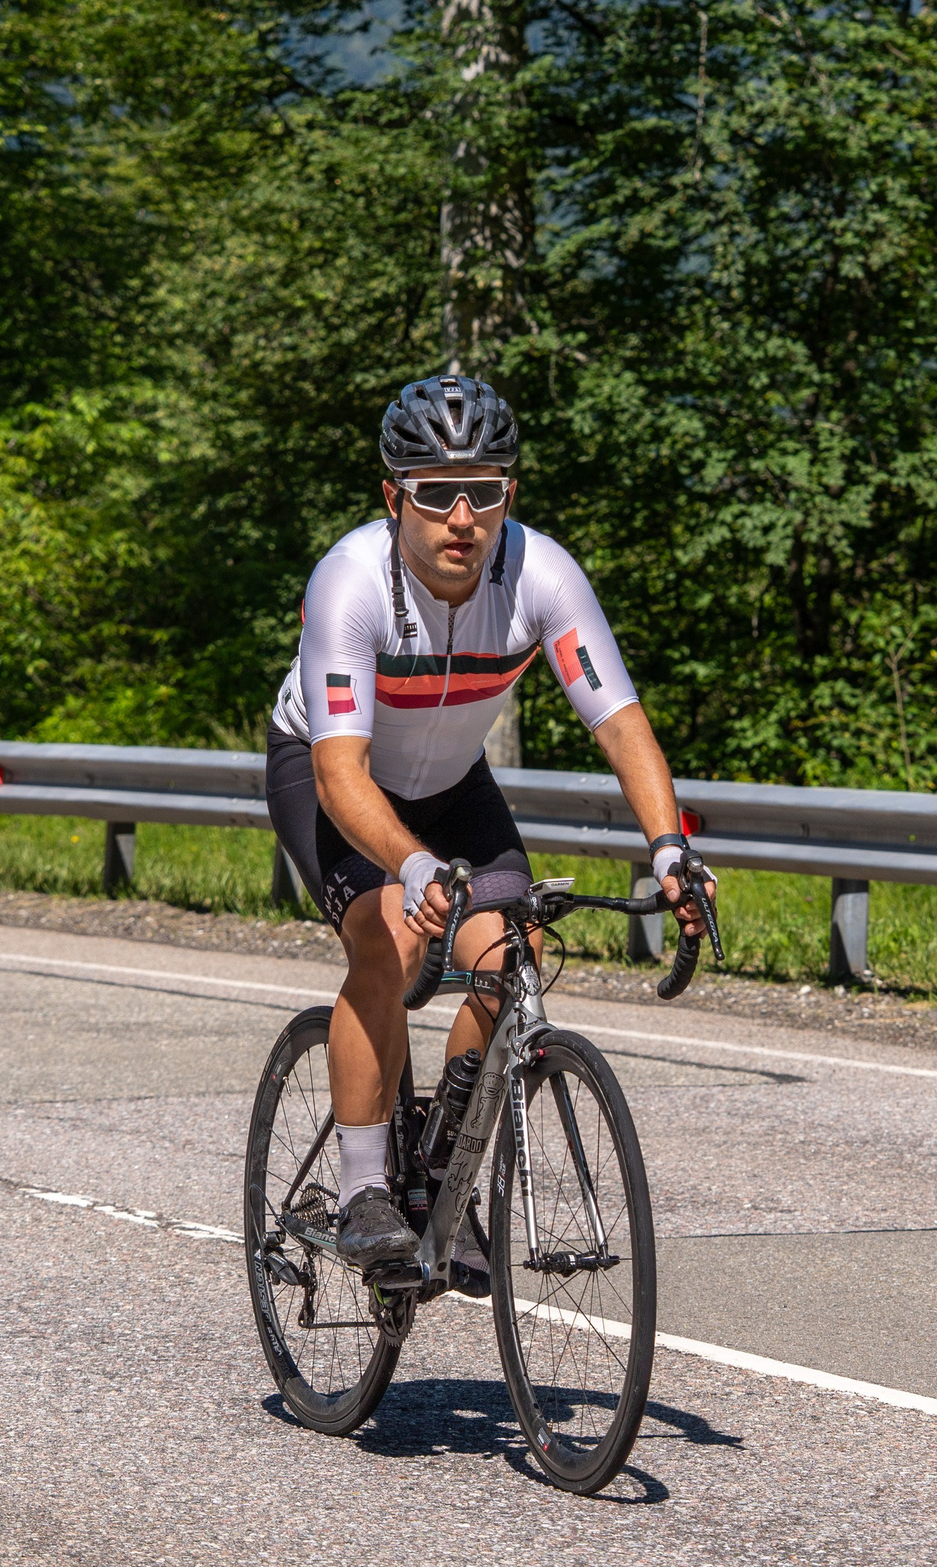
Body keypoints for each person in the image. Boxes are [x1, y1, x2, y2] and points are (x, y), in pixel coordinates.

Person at [265, 374, 715, 1272]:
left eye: (488, 490)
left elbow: (620, 720)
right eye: (435, 493)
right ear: (394, 497)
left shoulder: (540, 573)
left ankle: (444, 1164)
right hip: (334, 778)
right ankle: (362, 1190)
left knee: (513, 958)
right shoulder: (350, 581)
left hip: (452, 782)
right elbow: (341, 773)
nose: (462, 515)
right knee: (386, 942)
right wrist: (414, 867)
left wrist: (669, 844)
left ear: (513, 495)